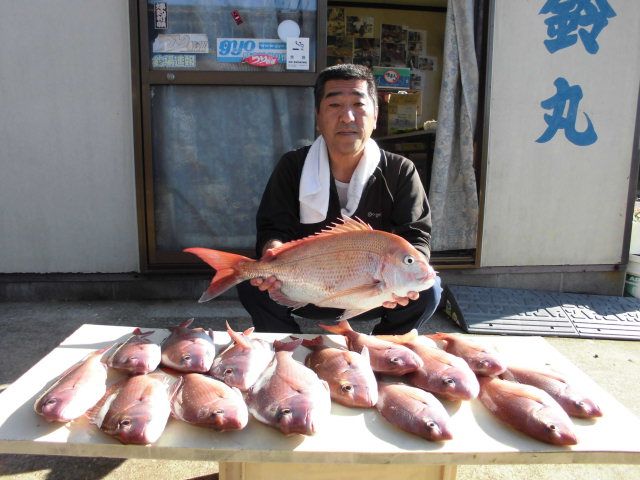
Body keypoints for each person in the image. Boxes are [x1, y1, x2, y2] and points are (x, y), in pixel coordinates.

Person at [237, 63, 442, 334]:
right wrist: (273, 253)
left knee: (428, 291)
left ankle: (383, 350)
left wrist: (408, 279)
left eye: (358, 105)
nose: (347, 117)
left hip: (376, 293)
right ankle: (289, 349)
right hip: (304, 288)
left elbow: (416, 236)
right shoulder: (292, 166)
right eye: (334, 105)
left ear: (375, 115)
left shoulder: (400, 170)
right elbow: (273, 228)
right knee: (251, 284)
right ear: (318, 116)